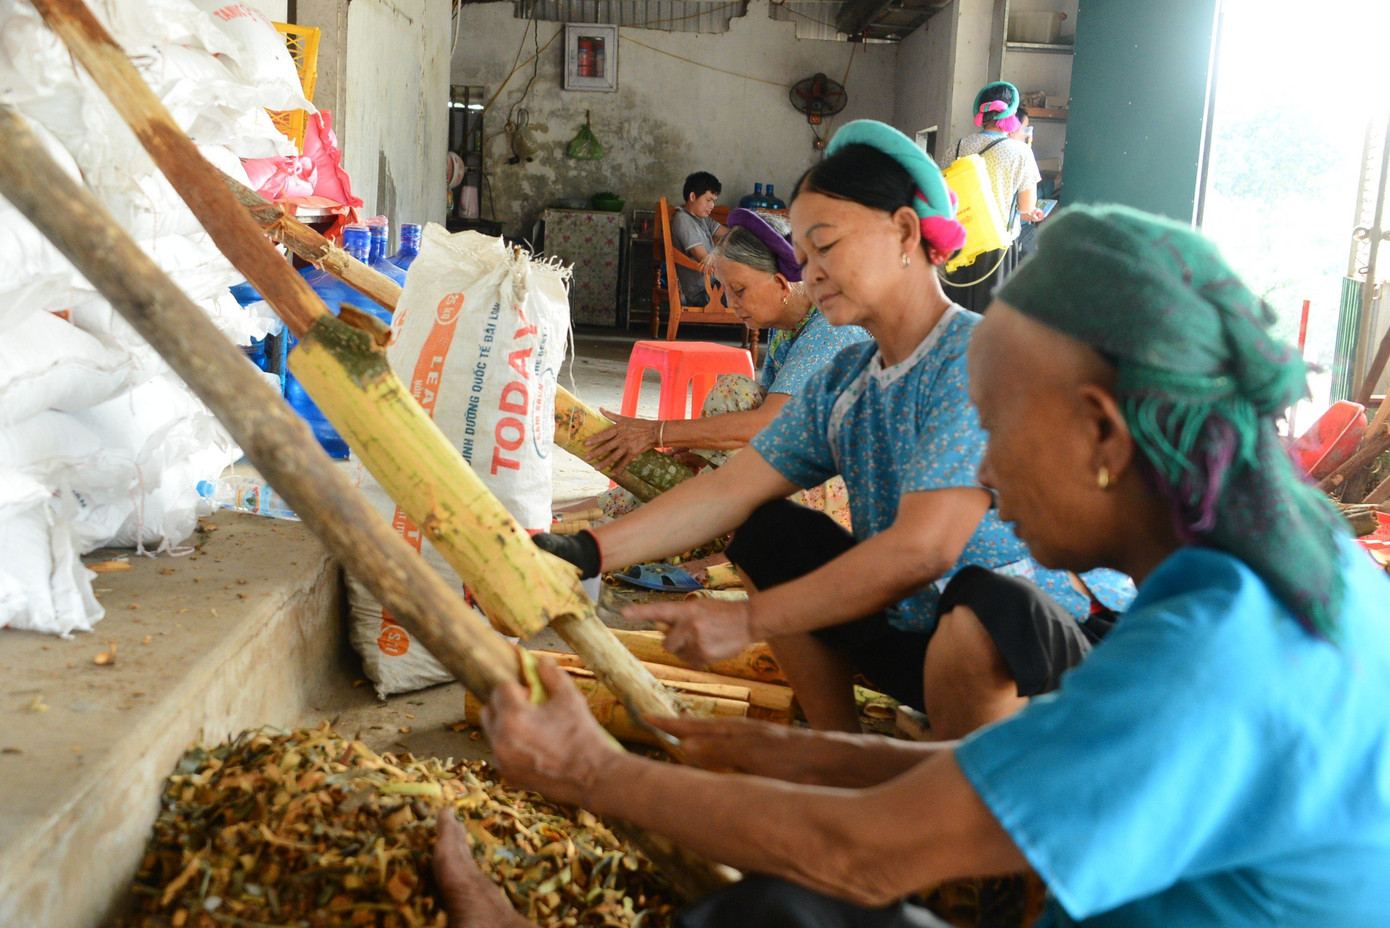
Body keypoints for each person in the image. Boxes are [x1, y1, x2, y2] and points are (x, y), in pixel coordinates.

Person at [438, 203, 1390, 928]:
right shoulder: (1296, 569)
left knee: (800, 901)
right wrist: (800, 753)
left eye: (1000, 429)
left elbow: (860, 856)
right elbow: (1021, 764)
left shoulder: (1212, 659)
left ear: (1101, 432)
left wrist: (590, 771)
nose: (982, 466)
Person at [537, 120, 1131, 739]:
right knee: (770, 534)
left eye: (827, 247)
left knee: (981, 604)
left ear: (904, 232)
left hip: (1046, 642)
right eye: (804, 254)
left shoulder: (976, 358)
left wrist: (745, 621)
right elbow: (729, 491)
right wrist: (584, 551)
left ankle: (964, 786)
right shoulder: (847, 378)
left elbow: (923, 550)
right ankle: (835, 745)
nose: (810, 271)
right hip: (922, 629)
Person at [585, 209, 870, 525]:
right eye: (726, 290)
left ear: (780, 283)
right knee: (736, 391)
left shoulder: (834, 329)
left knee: (731, 450)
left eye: (740, 290)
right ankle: (615, 515)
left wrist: (658, 432)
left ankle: (667, 530)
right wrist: (703, 449)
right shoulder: (789, 322)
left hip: (847, 494)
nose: (731, 303)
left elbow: (769, 425)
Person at [940, 81, 1044, 312]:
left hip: (959, 243)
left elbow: (942, 191)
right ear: (1011, 114)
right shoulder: (1022, 152)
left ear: (981, 112)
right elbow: (1027, 206)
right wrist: (1031, 213)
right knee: (987, 318)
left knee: (954, 313)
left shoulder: (957, 147)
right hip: (997, 248)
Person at [670, 171, 727, 306]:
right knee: (751, 291)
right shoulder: (683, 220)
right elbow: (704, 259)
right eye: (708, 200)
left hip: (713, 285)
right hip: (703, 293)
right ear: (692, 196)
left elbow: (728, 234)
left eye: (714, 201)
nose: (712, 206)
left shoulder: (701, 218)